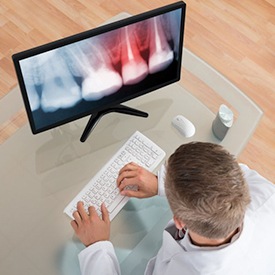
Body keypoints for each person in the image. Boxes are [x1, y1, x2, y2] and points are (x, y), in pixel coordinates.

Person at [70, 142, 275, 274]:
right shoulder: (268, 196)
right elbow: (235, 172)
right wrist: (160, 182)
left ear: (179, 221)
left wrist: (97, 247)